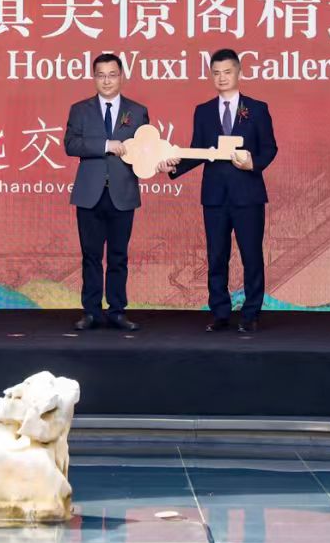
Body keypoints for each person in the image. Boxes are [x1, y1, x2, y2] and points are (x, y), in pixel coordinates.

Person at [158, 48, 278, 333]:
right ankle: (220, 312)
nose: (222, 78)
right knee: (216, 256)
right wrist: (173, 166)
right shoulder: (204, 111)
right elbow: (198, 150)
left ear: (238, 73)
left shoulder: (257, 108)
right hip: (214, 196)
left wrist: (253, 163)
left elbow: (270, 147)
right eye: (216, 73)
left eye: (227, 72)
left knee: (251, 255)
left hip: (248, 195)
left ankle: (251, 313)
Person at [64, 53, 149, 331]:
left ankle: (117, 311)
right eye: (101, 75)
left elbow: (145, 150)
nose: (107, 81)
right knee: (90, 256)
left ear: (121, 76)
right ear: (94, 78)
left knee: (118, 256)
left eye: (112, 75)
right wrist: (106, 145)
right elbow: (71, 145)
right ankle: (91, 312)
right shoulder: (80, 109)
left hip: (122, 194)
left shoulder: (137, 111)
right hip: (90, 193)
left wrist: (161, 161)